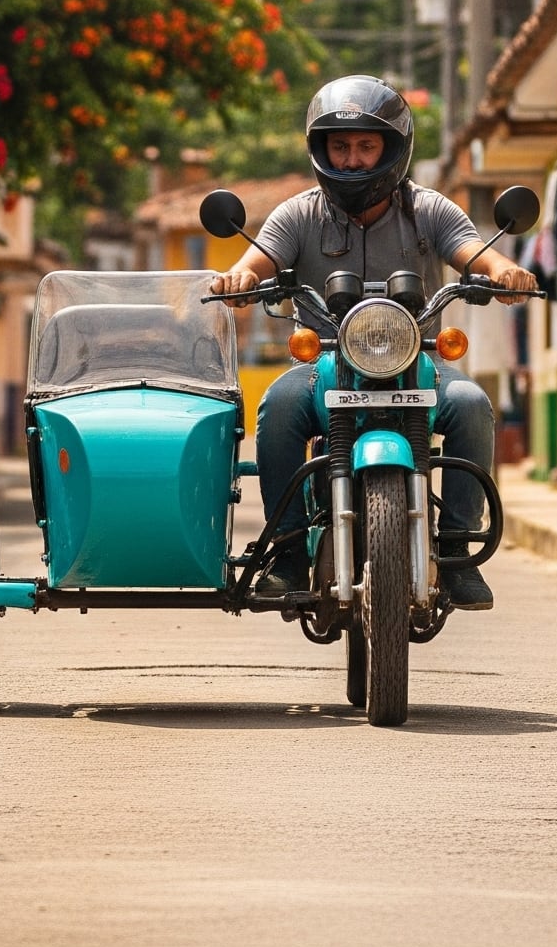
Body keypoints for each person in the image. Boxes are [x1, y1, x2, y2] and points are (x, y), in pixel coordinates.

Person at [209, 75, 535, 610]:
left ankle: (454, 550)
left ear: (393, 148)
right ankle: (288, 550)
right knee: (281, 404)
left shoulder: (430, 210)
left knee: (472, 404)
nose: (354, 159)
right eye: (341, 146)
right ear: (322, 149)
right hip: (327, 365)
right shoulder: (298, 214)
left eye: (366, 145)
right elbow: (253, 260)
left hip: (419, 361)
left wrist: (505, 273)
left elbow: (477, 253)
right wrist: (238, 279)